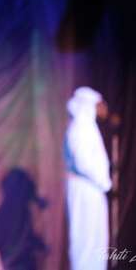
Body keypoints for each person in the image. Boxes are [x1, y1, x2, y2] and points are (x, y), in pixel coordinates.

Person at [64, 87, 111, 270]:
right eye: (99, 104)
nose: (103, 109)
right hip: (84, 190)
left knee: (95, 240)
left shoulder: (88, 127)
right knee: (85, 240)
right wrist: (103, 181)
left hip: (92, 190)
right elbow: (82, 161)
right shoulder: (79, 127)